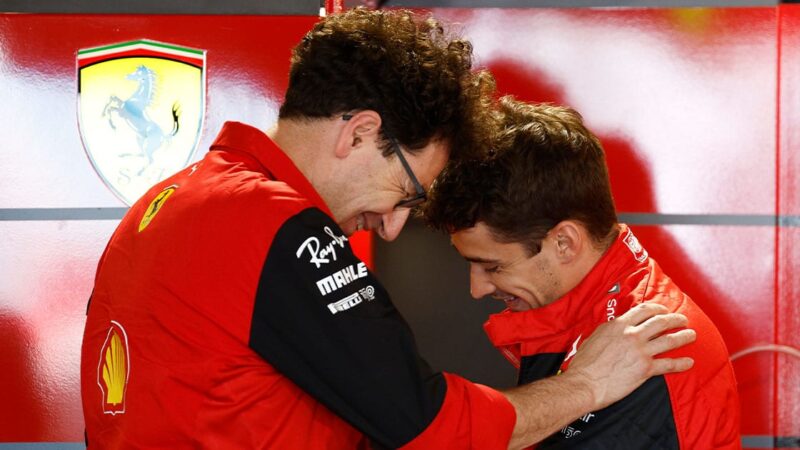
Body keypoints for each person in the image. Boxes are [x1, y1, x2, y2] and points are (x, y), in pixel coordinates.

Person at [81, 9, 696, 449]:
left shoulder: (163, 202)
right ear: (359, 132)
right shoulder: (282, 229)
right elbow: (428, 425)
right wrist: (588, 383)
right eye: (407, 193)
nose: (396, 226)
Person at [423, 97, 741, 449]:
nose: (477, 289)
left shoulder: (648, 348)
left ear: (564, 242)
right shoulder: (588, 310)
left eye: (493, 266)